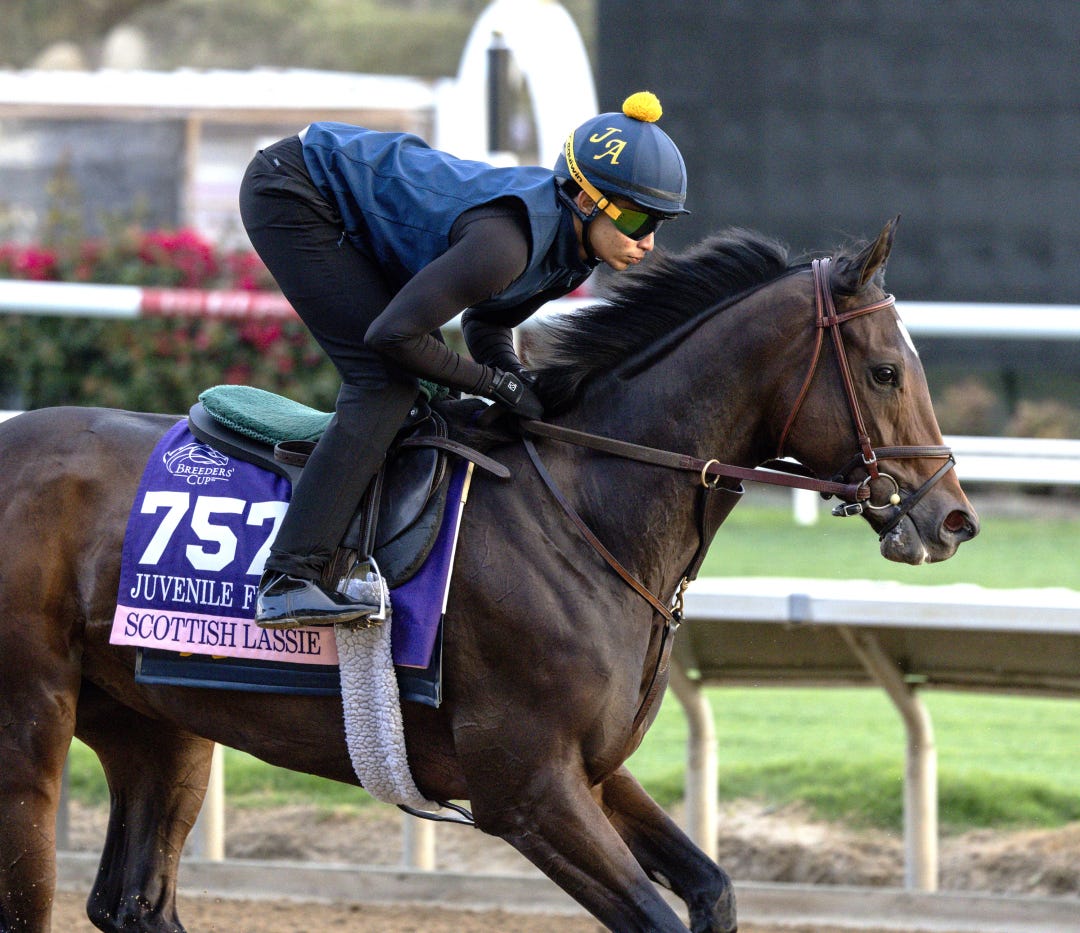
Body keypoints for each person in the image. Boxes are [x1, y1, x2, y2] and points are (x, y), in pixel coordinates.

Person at [239, 90, 689, 630]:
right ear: (587, 200)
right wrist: (494, 383)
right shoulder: (507, 244)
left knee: (426, 391)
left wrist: (515, 378)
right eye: (639, 219)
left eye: (660, 222)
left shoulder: (572, 256)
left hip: (338, 195)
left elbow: (487, 319)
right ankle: (289, 579)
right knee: (384, 386)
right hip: (295, 187)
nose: (648, 241)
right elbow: (391, 336)